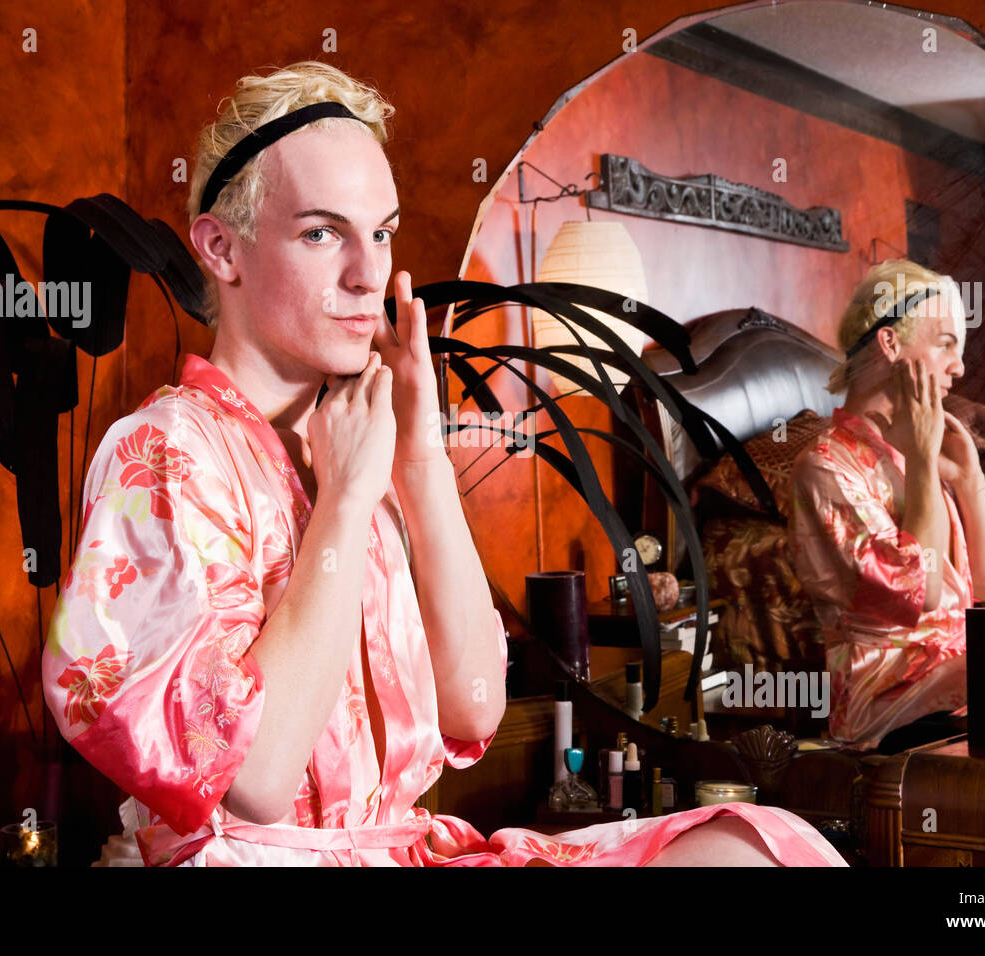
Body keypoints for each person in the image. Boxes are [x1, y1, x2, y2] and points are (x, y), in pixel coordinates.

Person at [42, 61, 845, 866]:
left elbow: (473, 706)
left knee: (750, 848)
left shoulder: (363, 440)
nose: (367, 275)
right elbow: (255, 772)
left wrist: (419, 459)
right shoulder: (166, 453)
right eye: (322, 233)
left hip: (402, 851)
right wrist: (346, 503)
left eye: (382, 232)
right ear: (221, 248)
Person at [789, 260, 985, 753]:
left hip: (952, 693)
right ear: (890, 344)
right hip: (887, 709)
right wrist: (925, 461)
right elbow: (923, 592)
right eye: (946, 343)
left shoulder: (913, 452)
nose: (960, 367)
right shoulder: (825, 467)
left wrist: (971, 478)